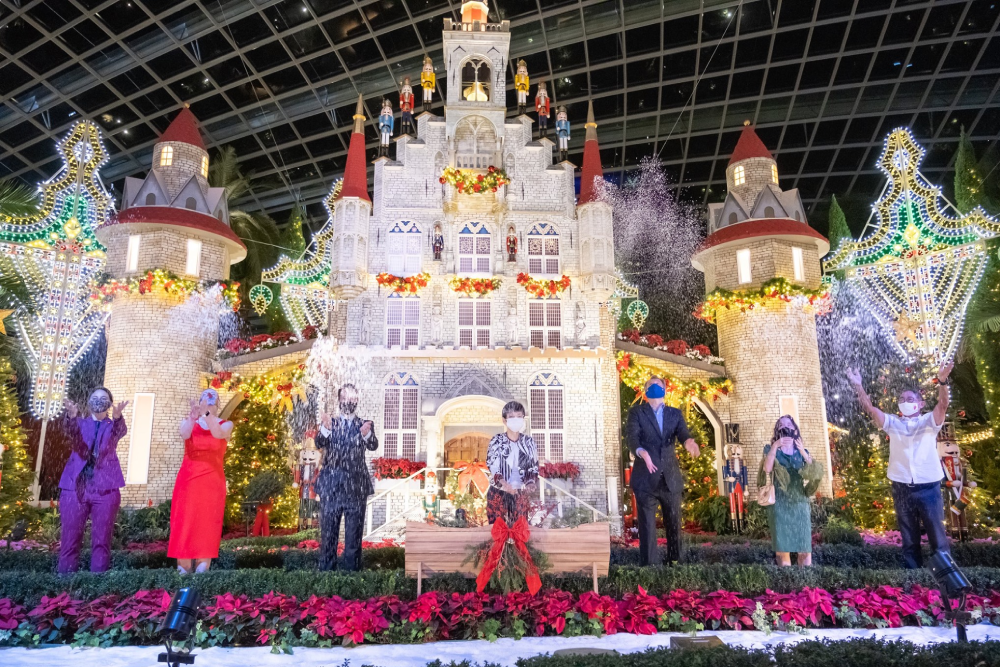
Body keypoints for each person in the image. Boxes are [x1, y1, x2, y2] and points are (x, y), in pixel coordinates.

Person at [847, 363, 953, 568]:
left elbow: (943, 404)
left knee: (938, 538)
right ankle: (914, 578)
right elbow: (870, 409)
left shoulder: (929, 422)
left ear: (920, 404)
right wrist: (858, 386)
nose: (905, 402)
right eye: (902, 400)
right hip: (902, 487)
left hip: (929, 487)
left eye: (910, 399)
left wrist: (942, 381)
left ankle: (947, 576)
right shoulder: (893, 423)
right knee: (909, 540)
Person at [625, 376, 701, 565]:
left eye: (658, 385)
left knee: (674, 525)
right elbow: (632, 438)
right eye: (650, 386)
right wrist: (642, 452)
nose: (655, 388)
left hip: (670, 479)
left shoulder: (674, 414)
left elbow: (683, 434)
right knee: (647, 528)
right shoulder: (637, 412)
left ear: (665, 390)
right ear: (645, 391)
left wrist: (689, 443)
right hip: (646, 479)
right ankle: (650, 569)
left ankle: (674, 565)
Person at [57, 388, 128, 574]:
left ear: (110, 403)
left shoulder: (112, 425)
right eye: (95, 398)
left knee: (102, 541)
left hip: (106, 489)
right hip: (75, 487)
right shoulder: (80, 423)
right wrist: (71, 417)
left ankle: (96, 584)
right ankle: (65, 584)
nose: (98, 401)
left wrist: (118, 417)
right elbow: (72, 433)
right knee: (70, 540)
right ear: (88, 402)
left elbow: (120, 431)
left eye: (103, 398)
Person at [168, 388, 233, 574]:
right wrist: (192, 417)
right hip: (188, 481)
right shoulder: (189, 422)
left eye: (212, 403)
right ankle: (183, 570)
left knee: (207, 524)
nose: (208, 406)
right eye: (205, 403)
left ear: (218, 405)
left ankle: (203, 571)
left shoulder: (226, 424)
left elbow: (218, 433)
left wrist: (206, 414)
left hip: (212, 482)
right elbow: (184, 434)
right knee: (185, 523)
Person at [316, 384, 378, 571]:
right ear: (339, 400)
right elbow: (319, 442)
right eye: (344, 398)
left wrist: (367, 435)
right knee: (328, 536)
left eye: (351, 398)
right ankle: (326, 575)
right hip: (331, 487)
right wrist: (325, 429)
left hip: (356, 488)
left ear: (356, 400)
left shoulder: (365, 424)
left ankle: (352, 577)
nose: (348, 401)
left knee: (354, 537)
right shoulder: (331, 423)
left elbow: (373, 445)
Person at [760, 415, 824, 567]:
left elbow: (815, 472)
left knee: (804, 548)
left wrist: (802, 451)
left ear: (795, 429)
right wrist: (775, 446)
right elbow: (767, 469)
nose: (785, 427)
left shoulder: (802, 451)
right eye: (781, 425)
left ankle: (806, 580)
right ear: (778, 430)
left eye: (789, 424)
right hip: (780, 502)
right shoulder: (770, 449)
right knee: (783, 549)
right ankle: (786, 579)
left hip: (800, 501)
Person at [485, 400, 538, 524]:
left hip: (520, 494)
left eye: (519, 416)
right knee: (498, 529)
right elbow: (493, 466)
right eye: (511, 416)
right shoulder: (497, 440)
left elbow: (533, 466)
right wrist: (504, 484)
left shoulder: (529, 442)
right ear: (504, 420)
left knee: (520, 529)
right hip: (498, 492)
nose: (516, 420)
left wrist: (530, 483)